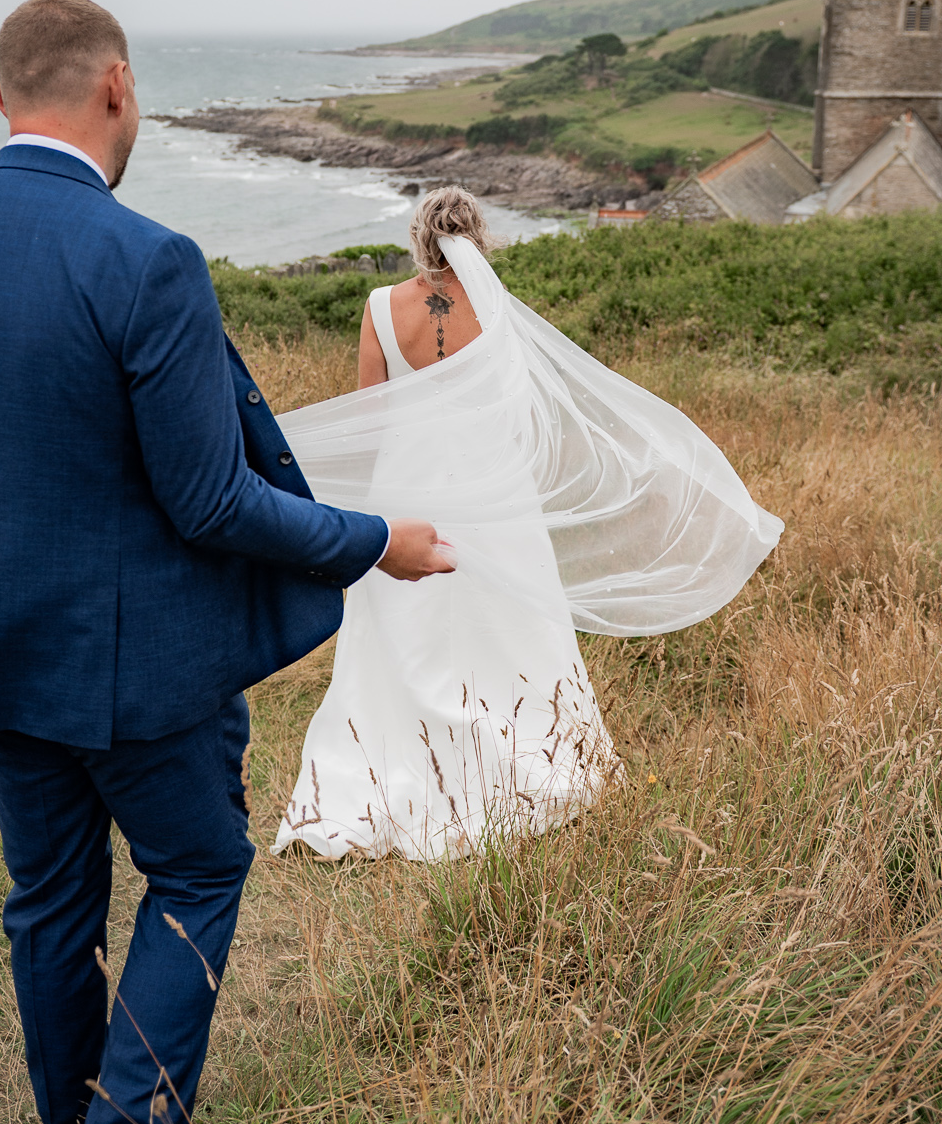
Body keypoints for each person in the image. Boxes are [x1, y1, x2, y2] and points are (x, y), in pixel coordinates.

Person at [0, 0, 452, 1124]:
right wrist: (372, 538)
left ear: (4, 101)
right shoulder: (147, 259)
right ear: (115, 87)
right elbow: (211, 503)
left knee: (48, 902)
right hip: (133, 667)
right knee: (195, 872)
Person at [273, 187, 783, 861]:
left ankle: (384, 769)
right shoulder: (498, 314)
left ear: (418, 239)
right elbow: (521, 418)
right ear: (478, 239)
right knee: (506, 628)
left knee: (402, 628)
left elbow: (371, 419)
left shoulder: (379, 309)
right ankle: (522, 755)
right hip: (492, 491)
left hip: (405, 491)